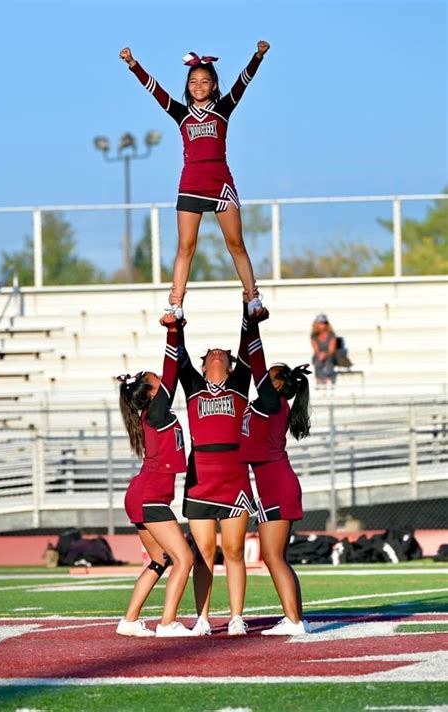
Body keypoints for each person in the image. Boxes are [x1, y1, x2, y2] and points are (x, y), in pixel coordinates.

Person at [119, 41, 271, 316]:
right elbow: (155, 90)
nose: (198, 85)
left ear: (213, 84)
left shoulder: (223, 109)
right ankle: (176, 304)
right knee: (185, 247)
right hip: (191, 184)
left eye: (204, 81)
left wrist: (257, 56)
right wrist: (133, 64)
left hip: (221, 185)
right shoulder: (181, 113)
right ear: (188, 85)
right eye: (193, 81)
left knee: (236, 244)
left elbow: (242, 82)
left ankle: (253, 298)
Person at [177, 301, 256, 636]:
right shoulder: (193, 386)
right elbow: (177, 355)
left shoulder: (239, 384)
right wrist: (176, 321)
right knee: (204, 552)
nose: (218, 353)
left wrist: (247, 310)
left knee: (235, 550)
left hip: (234, 477)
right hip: (200, 478)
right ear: (204, 362)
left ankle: (237, 616)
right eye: (212, 352)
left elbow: (248, 347)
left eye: (223, 351)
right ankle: (203, 619)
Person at [116, 314, 194, 638]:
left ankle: (130, 621)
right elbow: (173, 370)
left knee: (160, 559)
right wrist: (172, 332)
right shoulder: (156, 410)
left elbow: (170, 375)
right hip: (150, 494)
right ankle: (167, 623)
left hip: (142, 492)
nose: (162, 379)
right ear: (150, 393)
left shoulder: (153, 413)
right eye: (155, 379)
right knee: (184, 558)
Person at [240, 311, 312, 635]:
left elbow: (256, 361)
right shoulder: (271, 404)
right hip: (273, 485)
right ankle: (295, 617)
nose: (264, 380)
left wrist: (251, 323)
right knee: (277, 556)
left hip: (276, 485)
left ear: (278, 384)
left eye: (270, 378)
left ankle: (294, 621)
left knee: (272, 556)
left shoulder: (271, 401)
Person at [311, 314, 337, 385]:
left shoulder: (331, 335)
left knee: (329, 361)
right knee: (317, 361)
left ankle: (327, 381)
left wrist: (325, 355)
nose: (322, 325)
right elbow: (315, 349)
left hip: (329, 355)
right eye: (320, 323)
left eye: (324, 323)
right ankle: (319, 381)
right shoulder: (314, 336)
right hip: (319, 356)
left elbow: (332, 350)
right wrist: (320, 355)